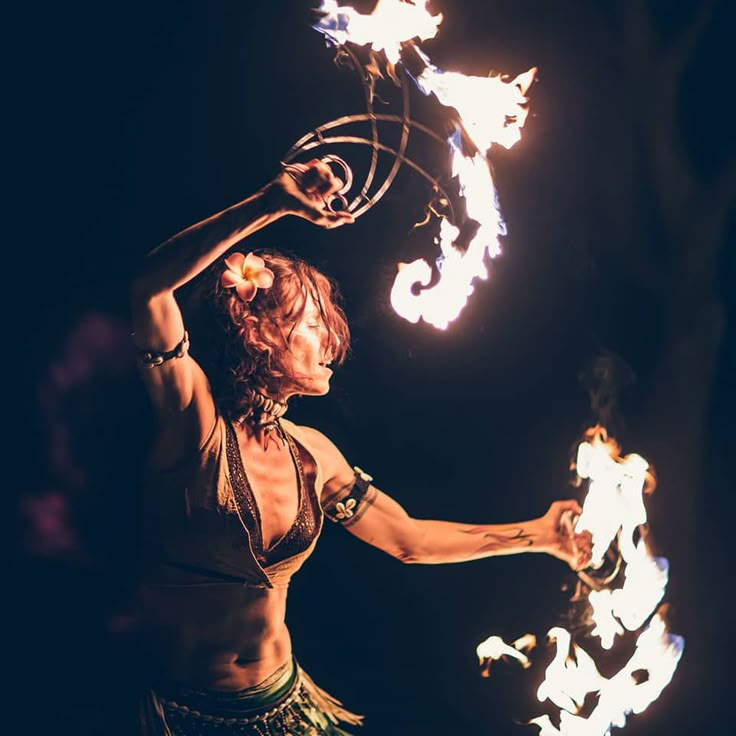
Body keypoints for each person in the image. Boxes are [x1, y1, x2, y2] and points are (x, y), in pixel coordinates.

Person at [130, 158, 592, 735]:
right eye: (311, 324)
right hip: (177, 716)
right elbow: (148, 289)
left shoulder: (315, 456)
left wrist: (542, 535)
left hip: (282, 707)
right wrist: (271, 204)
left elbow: (410, 541)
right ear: (256, 331)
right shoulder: (193, 421)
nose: (331, 340)